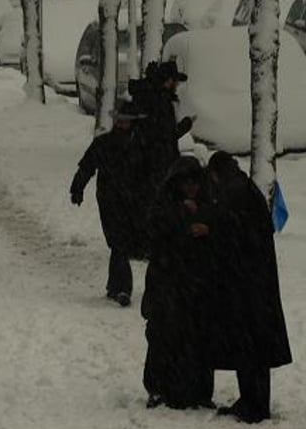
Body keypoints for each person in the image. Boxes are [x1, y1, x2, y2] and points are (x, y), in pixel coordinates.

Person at [206, 151, 292, 424]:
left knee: (247, 345)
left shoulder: (233, 194)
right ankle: (255, 401)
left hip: (245, 284)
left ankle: (253, 404)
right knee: (256, 347)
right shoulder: (245, 188)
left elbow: (230, 234)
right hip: (257, 282)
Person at [141, 156, 217, 408]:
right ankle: (159, 387)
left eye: (194, 183)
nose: (191, 188)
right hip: (168, 280)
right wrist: (183, 219)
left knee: (195, 335)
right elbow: (155, 235)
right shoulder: (165, 204)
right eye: (186, 183)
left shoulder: (208, 202)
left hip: (194, 282)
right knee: (163, 334)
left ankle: (194, 390)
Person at [70, 110, 154, 306]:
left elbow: (150, 172)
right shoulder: (104, 143)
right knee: (118, 241)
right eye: (121, 121)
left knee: (121, 242)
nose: (124, 124)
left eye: (127, 121)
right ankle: (121, 287)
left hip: (134, 202)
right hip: (110, 200)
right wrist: (77, 189)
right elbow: (87, 166)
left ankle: (118, 287)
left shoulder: (141, 144)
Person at [123, 61, 192, 185]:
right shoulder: (160, 101)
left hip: (146, 167)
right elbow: (166, 136)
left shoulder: (147, 96)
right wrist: (186, 125)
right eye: (175, 81)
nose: (176, 85)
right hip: (157, 169)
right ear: (169, 80)